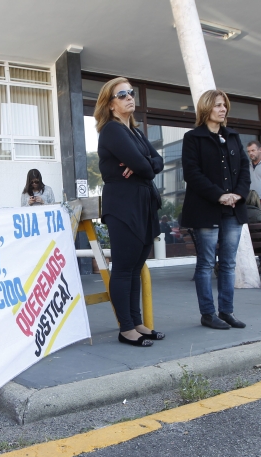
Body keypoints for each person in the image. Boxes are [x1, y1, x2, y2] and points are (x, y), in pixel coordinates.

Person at [96, 77, 165, 347]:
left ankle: (137, 322)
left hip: (143, 201)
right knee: (124, 268)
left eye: (131, 93)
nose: (129, 98)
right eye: (121, 94)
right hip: (123, 204)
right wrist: (144, 164)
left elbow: (156, 162)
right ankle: (126, 328)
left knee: (137, 267)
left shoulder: (135, 132)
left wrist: (142, 163)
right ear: (110, 104)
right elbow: (149, 168)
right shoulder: (112, 131)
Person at [181, 89, 251, 330]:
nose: (223, 109)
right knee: (206, 263)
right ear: (206, 108)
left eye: (224, 106)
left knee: (229, 263)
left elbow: (244, 168)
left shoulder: (232, 136)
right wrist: (219, 195)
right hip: (205, 209)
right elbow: (192, 173)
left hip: (233, 208)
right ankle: (208, 314)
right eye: (218, 105)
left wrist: (237, 194)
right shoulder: (193, 138)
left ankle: (226, 311)